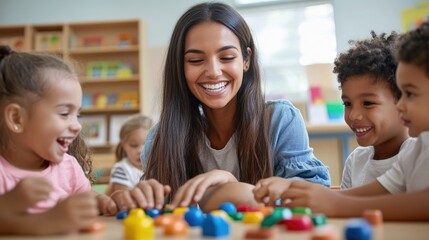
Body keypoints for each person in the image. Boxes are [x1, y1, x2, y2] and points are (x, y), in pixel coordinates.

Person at [112, 2, 330, 212]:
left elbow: (315, 198)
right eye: (196, 60)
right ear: (180, 67)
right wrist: (128, 198)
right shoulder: (159, 139)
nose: (214, 71)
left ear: (246, 59)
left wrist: (235, 188)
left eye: (226, 57)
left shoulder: (279, 119)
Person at [253, 21, 429, 221]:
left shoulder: (414, 148)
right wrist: (293, 189)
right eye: (347, 103)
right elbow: (355, 196)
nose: (401, 104)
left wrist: (336, 204)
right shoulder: (417, 151)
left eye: (410, 94)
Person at [0, 45, 117, 235]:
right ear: (16, 118)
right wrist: (38, 220)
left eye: (77, 114)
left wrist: (102, 202)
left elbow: (86, 198)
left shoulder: (68, 166)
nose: (77, 126)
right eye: (64, 113)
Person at [334, 31, 416, 189]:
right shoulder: (356, 161)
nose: (354, 115)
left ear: (403, 101)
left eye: (368, 103)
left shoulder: (418, 153)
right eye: (347, 103)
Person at [105, 114, 152, 196]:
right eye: (134, 145)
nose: (140, 151)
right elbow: (125, 201)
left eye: (147, 145)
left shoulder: (157, 168)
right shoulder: (121, 169)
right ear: (123, 146)